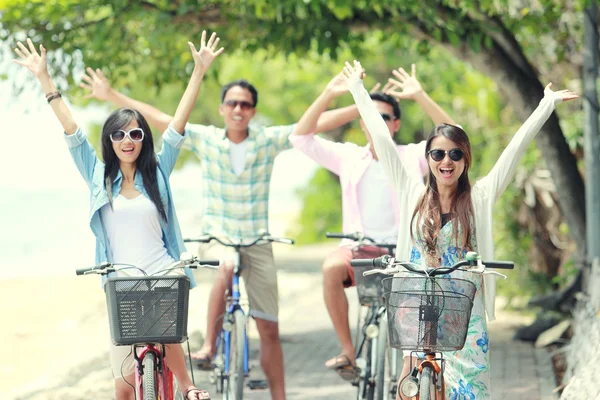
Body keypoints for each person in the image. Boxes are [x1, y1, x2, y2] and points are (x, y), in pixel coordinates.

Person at [80, 62, 355, 400]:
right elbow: (164, 120)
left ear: (253, 111)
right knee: (224, 265)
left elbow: (310, 126)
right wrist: (112, 95)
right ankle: (210, 346)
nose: (238, 109)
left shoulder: (267, 140)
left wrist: (364, 105)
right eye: (232, 103)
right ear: (223, 108)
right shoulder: (207, 138)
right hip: (219, 239)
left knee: (269, 328)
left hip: (257, 241)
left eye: (245, 104)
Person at [341, 60, 577, 399]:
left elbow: (514, 151)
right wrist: (358, 91)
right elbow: (382, 138)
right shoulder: (413, 194)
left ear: (465, 160)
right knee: (409, 391)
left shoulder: (479, 197)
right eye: (437, 153)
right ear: (429, 159)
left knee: (470, 393)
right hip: (420, 307)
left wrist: (546, 104)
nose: (445, 161)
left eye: (454, 154)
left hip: (466, 311)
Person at [13, 32, 225, 400]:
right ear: (109, 140)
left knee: (165, 327)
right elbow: (72, 131)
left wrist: (199, 71)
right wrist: (43, 79)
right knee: (123, 391)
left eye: (136, 133)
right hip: (121, 281)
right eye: (119, 134)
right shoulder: (98, 176)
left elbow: (177, 125)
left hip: (163, 270)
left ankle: (188, 386)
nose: (128, 140)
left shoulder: (157, 172)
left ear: (143, 139)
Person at [289, 66, 455, 379]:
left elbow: (453, 134)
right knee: (329, 268)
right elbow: (300, 136)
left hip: (403, 250)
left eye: (385, 118)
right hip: (359, 248)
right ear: (363, 123)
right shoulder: (349, 157)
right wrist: (337, 94)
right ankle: (348, 351)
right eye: (371, 117)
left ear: (396, 124)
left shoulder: (413, 156)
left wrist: (419, 95)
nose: (378, 123)